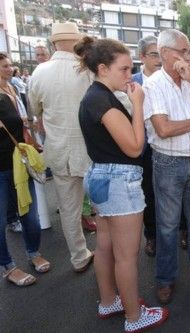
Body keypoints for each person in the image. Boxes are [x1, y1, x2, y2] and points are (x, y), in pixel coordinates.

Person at [76, 36, 168, 332]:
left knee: (104, 247)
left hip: (100, 176)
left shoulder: (95, 96)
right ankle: (133, 317)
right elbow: (134, 147)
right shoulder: (103, 101)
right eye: (125, 69)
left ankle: (109, 301)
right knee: (126, 255)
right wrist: (138, 104)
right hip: (118, 180)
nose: (130, 76)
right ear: (103, 68)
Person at [142, 28, 190, 304]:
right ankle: (165, 279)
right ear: (165, 54)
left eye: (189, 51)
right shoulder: (152, 85)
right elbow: (163, 129)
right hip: (167, 163)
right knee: (167, 226)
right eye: (183, 51)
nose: (188, 55)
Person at [28, 22, 94, 272]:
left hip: (58, 150)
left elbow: (35, 110)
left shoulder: (39, 72)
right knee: (105, 205)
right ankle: (114, 254)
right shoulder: (87, 70)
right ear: (76, 40)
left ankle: (79, 257)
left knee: (69, 209)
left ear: (53, 43)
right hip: (92, 149)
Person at [1, 52, 50, 287]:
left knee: (30, 215)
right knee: (1, 221)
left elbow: (21, 124)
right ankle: (9, 266)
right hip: (1, 167)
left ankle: (33, 253)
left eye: (10, 65)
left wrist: (31, 141)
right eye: (4, 66)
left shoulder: (13, 90)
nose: (9, 69)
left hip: (20, 163)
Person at [131, 35, 161, 257]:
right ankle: (151, 235)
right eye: (154, 54)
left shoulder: (170, 79)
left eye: (161, 53)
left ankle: (182, 229)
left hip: (168, 145)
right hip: (143, 149)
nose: (159, 58)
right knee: (148, 193)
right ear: (142, 57)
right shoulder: (131, 82)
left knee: (172, 192)